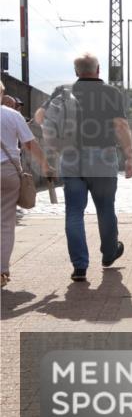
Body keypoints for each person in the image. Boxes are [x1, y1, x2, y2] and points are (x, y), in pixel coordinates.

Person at [38, 53, 132, 282]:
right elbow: (120, 125)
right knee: (105, 208)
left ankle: (80, 266)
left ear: (76, 72)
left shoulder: (62, 92)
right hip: (102, 158)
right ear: (98, 70)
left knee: (74, 212)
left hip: (71, 158)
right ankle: (109, 254)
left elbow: (40, 116)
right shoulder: (111, 93)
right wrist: (129, 157)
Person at [1, 80, 53, 288]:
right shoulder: (12, 115)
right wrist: (45, 165)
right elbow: (30, 144)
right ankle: (1, 271)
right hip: (7, 171)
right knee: (5, 222)